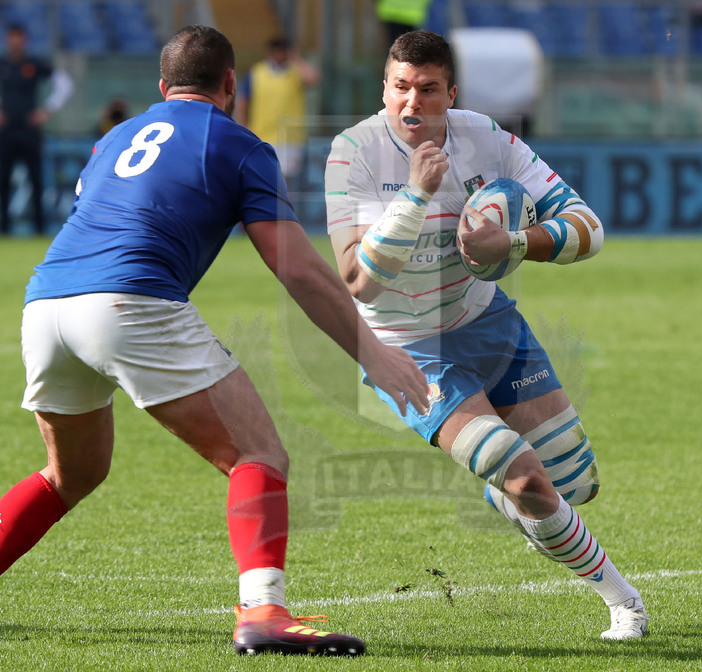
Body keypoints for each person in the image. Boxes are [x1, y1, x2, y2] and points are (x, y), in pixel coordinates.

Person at [0, 25, 430, 657]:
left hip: (45, 305)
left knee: (74, 473)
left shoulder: (113, 137)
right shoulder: (238, 144)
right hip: (130, 301)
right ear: (231, 84)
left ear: (162, 88)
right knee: (259, 453)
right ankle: (263, 611)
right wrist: (375, 353)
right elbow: (299, 270)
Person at [325, 29, 649, 640]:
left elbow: (589, 225)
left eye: (426, 90)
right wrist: (417, 194)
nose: (410, 103)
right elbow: (358, 281)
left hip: (487, 322)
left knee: (574, 484)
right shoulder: (354, 151)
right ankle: (624, 601)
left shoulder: (488, 138)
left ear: (452, 93)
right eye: (399, 88)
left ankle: (514, 499)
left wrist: (517, 244)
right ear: (385, 89)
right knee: (525, 475)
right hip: (405, 345)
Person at [0, 23, 73, 236]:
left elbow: (65, 84)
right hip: (6, 132)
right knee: (3, 180)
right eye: (11, 37)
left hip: (30, 131)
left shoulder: (34, 64)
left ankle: (40, 230)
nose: (15, 41)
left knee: (36, 180)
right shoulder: (3, 64)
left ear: (24, 40)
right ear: (7, 39)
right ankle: (4, 230)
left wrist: (46, 111)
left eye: (18, 37)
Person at [236, 36, 320, 189]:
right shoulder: (257, 73)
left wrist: (296, 58)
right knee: (265, 178)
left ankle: (282, 211)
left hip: (289, 137)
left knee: (283, 181)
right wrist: (244, 126)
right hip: (262, 134)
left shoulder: (296, 72)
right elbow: (243, 100)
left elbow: (313, 78)